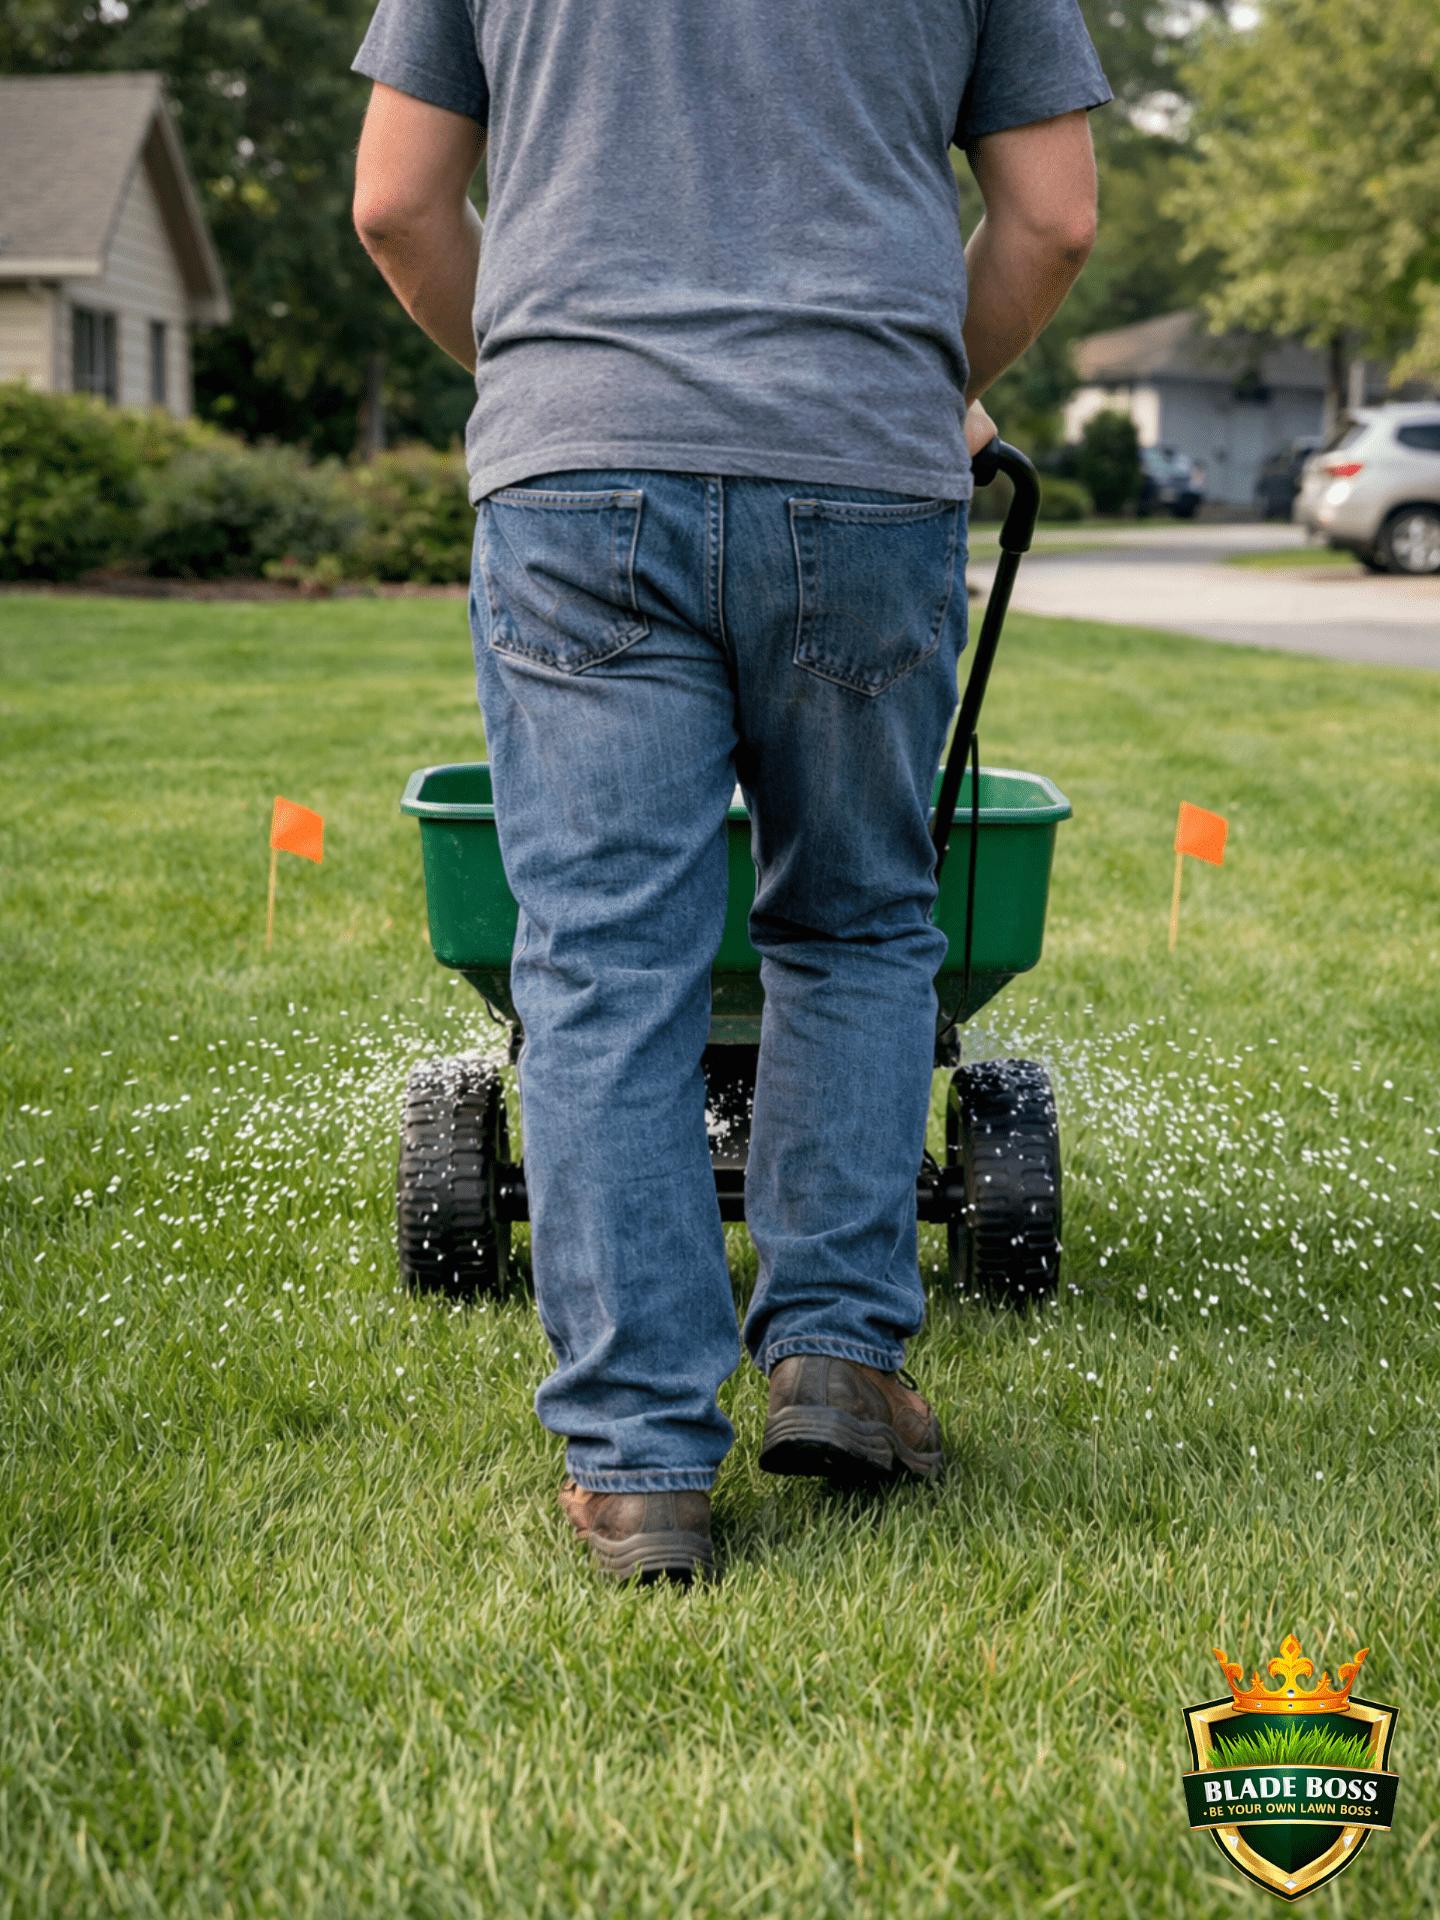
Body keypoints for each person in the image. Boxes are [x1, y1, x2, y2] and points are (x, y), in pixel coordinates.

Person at [352, 0, 1109, 1583]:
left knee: (606, 960)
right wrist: (901, 386)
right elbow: (1055, 217)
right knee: (851, 923)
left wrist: (569, 386)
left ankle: (637, 1463)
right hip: (862, 474)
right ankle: (837, 1356)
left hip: (578, 481)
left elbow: (397, 204)